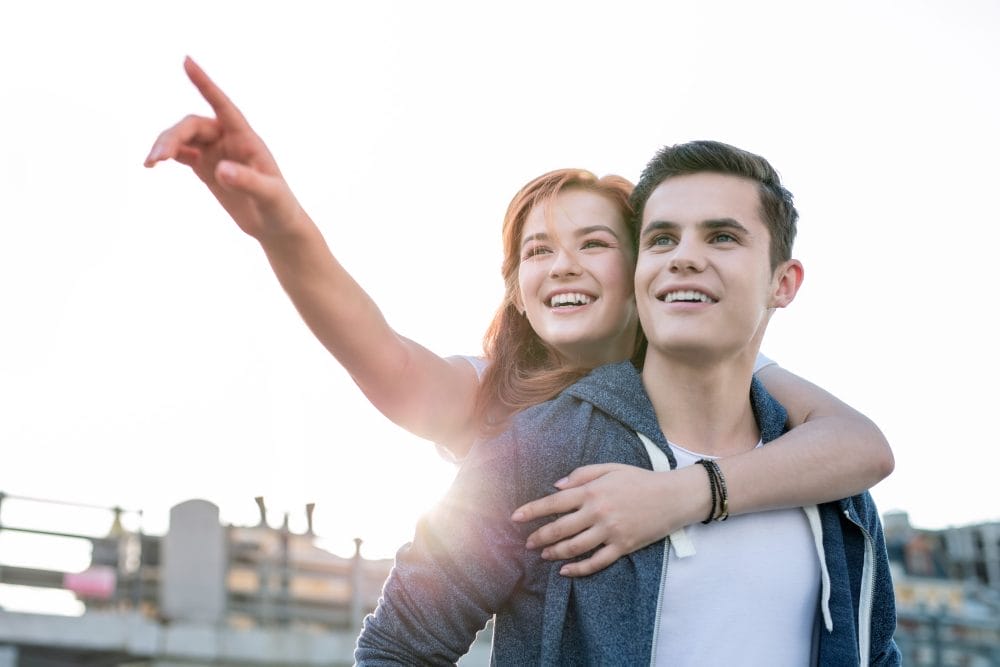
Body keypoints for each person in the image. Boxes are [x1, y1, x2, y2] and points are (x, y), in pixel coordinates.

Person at [144, 58, 893, 577]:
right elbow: (378, 352)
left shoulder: (706, 380)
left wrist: (682, 493)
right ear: (516, 283)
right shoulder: (496, 401)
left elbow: (860, 445)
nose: (561, 264)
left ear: (639, 269)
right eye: (538, 251)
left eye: (593, 243)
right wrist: (282, 224)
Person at [354, 140, 899, 665]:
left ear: (783, 283)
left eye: (722, 237)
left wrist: (694, 492)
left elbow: (875, 654)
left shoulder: (832, 490)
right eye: (662, 239)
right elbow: (398, 650)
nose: (684, 257)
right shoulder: (539, 450)